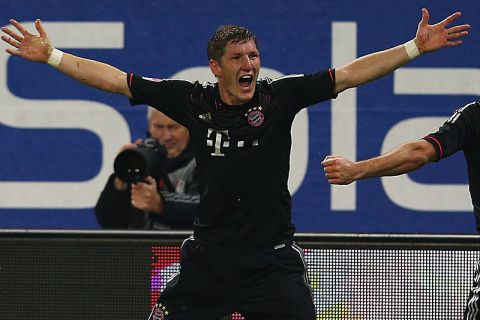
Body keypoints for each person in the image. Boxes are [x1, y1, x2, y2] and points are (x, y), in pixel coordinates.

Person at [1, 9, 470, 319]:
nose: (249, 64)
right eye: (238, 57)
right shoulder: (189, 100)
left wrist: (412, 49)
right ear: (216, 67)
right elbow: (116, 81)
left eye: (254, 55)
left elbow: (349, 74)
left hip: (273, 262)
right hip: (209, 260)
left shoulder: (280, 96)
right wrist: (53, 56)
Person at [321, 101, 480, 319]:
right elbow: (420, 152)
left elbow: (419, 153)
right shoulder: (474, 116)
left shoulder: (474, 114)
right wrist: (357, 170)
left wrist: (357, 170)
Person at [95, 107, 199, 230]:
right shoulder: (140, 161)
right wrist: (122, 176)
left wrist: (161, 203)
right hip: (142, 247)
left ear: (189, 127)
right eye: (159, 127)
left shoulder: (205, 160)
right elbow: (108, 222)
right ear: (150, 127)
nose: (166, 136)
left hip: (186, 246)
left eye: (174, 127)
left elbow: (210, 208)